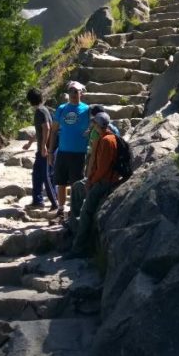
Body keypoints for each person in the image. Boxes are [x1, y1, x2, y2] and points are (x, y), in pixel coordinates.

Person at [67, 113, 122, 257]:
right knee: (77, 186)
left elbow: (103, 169)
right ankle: (74, 228)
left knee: (86, 211)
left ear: (98, 125)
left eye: (94, 123)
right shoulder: (103, 137)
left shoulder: (107, 141)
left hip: (105, 181)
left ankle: (78, 248)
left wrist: (91, 182)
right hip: (100, 177)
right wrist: (88, 179)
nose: (92, 125)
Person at [48, 81, 90, 220]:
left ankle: (74, 211)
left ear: (81, 93)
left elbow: (95, 126)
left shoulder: (87, 109)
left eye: (76, 91)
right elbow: (53, 131)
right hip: (63, 151)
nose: (73, 94)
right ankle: (60, 210)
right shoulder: (61, 109)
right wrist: (50, 152)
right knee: (60, 181)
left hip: (79, 152)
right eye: (71, 91)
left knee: (76, 183)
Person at [23, 88, 58, 213]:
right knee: (37, 175)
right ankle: (37, 201)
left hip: (46, 150)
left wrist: (43, 146)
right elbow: (39, 130)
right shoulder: (44, 109)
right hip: (42, 150)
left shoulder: (40, 111)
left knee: (47, 176)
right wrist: (30, 143)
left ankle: (55, 203)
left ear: (30, 101)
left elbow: (47, 128)